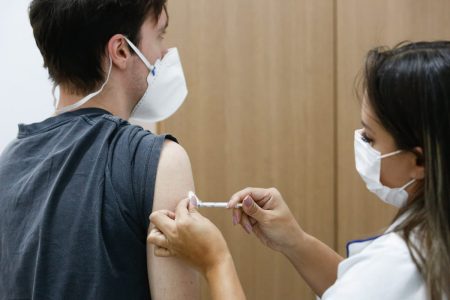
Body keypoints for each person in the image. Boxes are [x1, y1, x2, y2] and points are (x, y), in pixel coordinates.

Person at [148, 41, 450, 300]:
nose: (362, 146)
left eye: (370, 138)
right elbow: (356, 287)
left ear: (419, 161)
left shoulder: (402, 264)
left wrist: (215, 262)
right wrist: (295, 241)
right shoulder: (427, 239)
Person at [0, 0, 199, 299]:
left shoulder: (8, 162)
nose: (163, 54)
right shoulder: (159, 162)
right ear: (121, 50)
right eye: (159, 36)